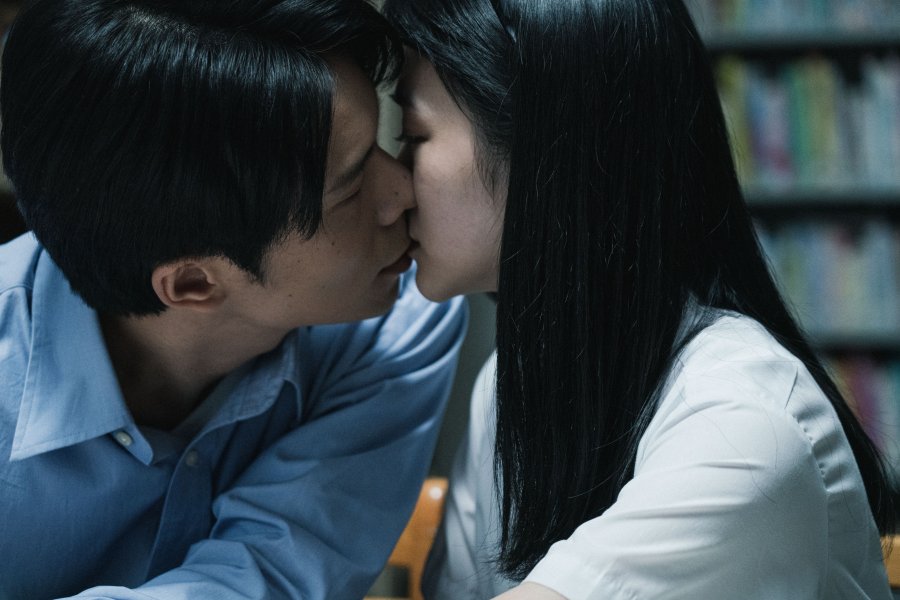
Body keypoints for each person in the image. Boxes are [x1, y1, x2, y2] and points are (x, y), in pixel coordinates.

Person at [382, 0, 897, 598]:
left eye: (412, 136)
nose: (392, 186)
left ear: (547, 149)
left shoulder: (745, 421)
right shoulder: (506, 385)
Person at [0, 1, 467, 598]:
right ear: (193, 284)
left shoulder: (397, 319)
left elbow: (273, 576)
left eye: (383, 141)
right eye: (351, 188)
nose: (404, 188)